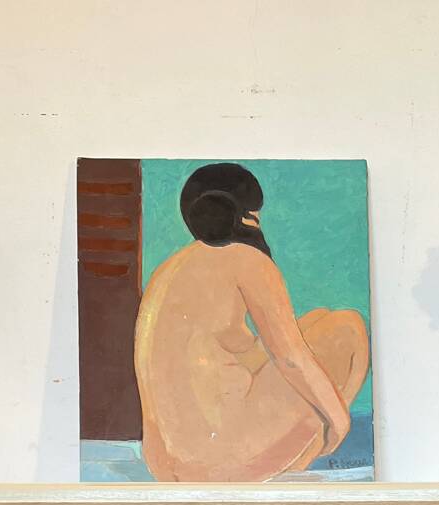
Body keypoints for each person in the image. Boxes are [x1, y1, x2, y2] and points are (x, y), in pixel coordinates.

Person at [134, 163, 369, 481]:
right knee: (347, 326)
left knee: (316, 320)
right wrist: (339, 420)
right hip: (221, 460)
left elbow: (228, 350)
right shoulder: (248, 259)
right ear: (245, 215)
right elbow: (290, 357)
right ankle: (310, 451)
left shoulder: (169, 268)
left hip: (165, 462)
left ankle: (291, 450)